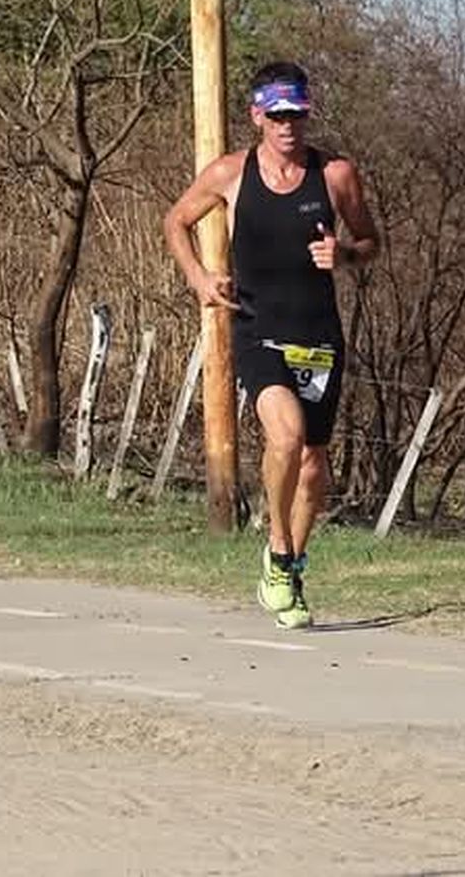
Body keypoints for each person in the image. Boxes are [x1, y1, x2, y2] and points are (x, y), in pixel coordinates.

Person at [164, 61, 378, 629]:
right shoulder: (230, 173)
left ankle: (290, 568)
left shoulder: (334, 174)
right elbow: (176, 221)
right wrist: (201, 279)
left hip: (319, 336)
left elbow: (370, 240)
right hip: (259, 330)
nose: (289, 127)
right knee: (284, 435)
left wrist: (347, 256)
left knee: (312, 467)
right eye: (278, 116)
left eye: (298, 116)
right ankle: (278, 552)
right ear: (258, 116)